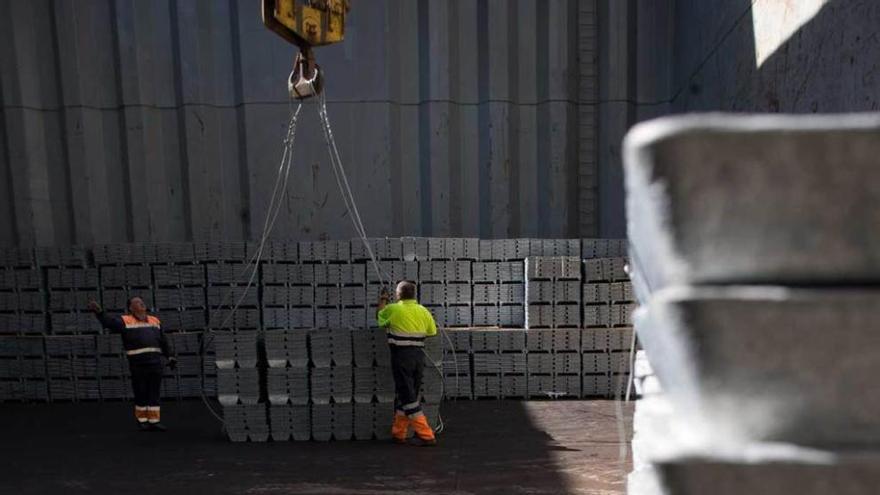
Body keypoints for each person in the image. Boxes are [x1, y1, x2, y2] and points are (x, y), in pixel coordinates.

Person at [87, 297, 176, 431]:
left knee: (154, 392)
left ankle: (154, 421)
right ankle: (142, 421)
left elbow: (163, 340)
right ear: (130, 308)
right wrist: (99, 312)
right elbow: (109, 323)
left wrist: (170, 356)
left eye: (142, 301)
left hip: (155, 363)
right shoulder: (125, 321)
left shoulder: (154, 320)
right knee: (141, 392)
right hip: (138, 365)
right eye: (137, 302)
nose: (142, 303)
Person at [376, 280, 438, 446]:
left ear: (398, 294)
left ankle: (426, 434)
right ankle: (399, 433)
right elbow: (432, 332)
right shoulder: (423, 311)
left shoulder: (392, 309)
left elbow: (380, 319)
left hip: (401, 357)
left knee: (408, 397)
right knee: (407, 395)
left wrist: (382, 300)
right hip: (418, 358)